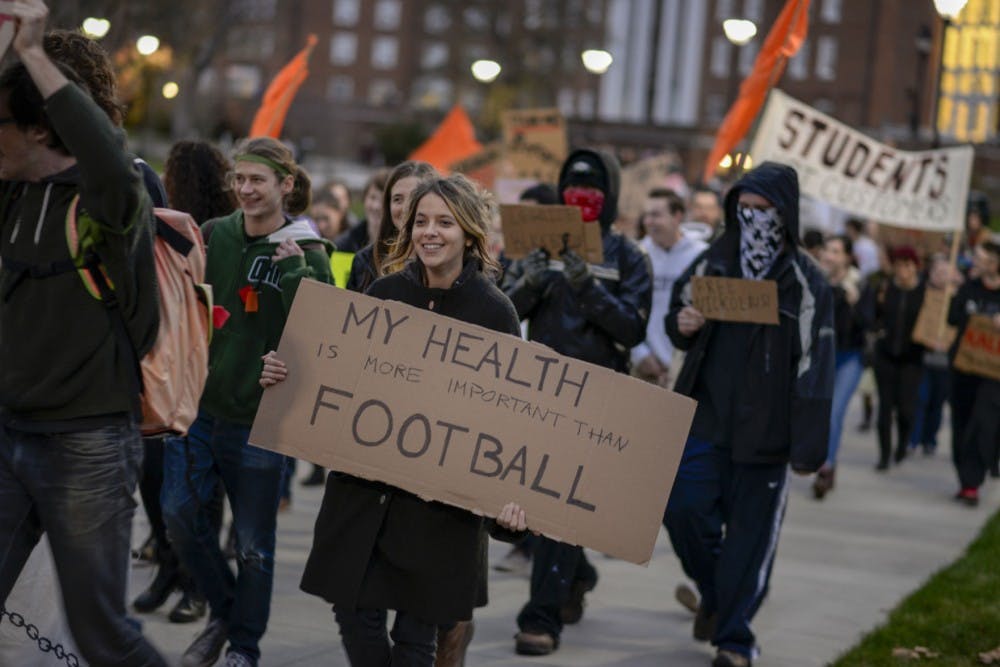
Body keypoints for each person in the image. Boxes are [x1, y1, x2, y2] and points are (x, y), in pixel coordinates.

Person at [263, 174, 527, 667]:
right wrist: (286, 374)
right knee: (354, 617)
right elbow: (339, 373)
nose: (430, 232)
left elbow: (506, 424)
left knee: (415, 640)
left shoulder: (495, 313)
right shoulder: (383, 293)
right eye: (421, 221)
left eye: (445, 222)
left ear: (469, 232)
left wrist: (506, 508)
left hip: (437, 517)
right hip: (364, 500)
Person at [0, 3, 167, 665]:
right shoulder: (12, 193)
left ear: (41, 127)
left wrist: (32, 55)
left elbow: (108, 159)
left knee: (102, 633)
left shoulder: (109, 200)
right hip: (10, 431)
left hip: (87, 442)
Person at [161, 137, 333, 667]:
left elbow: (321, 338)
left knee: (254, 547)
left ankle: (243, 646)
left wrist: (294, 273)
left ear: (286, 184)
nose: (245, 189)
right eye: (239, 179)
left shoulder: (307, 250)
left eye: (257, 180)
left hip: (261, 423)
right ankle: (227, 610)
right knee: (177, 516)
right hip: (199, 410)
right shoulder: (216, 233)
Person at [663, 162, 834, 667]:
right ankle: (718, 595)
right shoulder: (713, 261)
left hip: (766, 433)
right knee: (682, 509)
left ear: (785, 213)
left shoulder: (805, 282)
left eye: (765, 209)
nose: (754, 218)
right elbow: (677, 317)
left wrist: (808, 447)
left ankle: (735, 639)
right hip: (706, 421)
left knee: (750, 540)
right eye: (746, 208)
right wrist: (682, 323)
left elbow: (814, 365)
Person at [503, 148, 652, 656]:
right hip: (540, 390)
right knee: (541, 506)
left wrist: (588, 288)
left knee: (559, 507)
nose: (580, 195)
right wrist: (527, 282)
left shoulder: (629, 257)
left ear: (609, 195)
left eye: (591, 188)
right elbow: (504, 313)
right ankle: (578, 573)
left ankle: (540, 619)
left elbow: (631, 328)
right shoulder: (536, 244)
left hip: (597, 399)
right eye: (572, 185)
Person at [132, 140, 237, 625]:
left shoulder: (210, 234)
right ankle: (171, 568)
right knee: (159, 482)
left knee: (194, 491)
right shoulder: (168, 223)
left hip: (198, 374)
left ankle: (196, 584)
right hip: (166, 372)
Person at [812, 235, 871, 498]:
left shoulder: (859, 284)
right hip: (820, 356)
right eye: (827, 250)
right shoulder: (815, 279)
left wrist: (854, 303)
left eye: (836, 251)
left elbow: (869, 322)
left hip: (848, 357)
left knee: (833, 413)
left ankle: (826, 467)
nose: (829, 255)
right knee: (816, 411)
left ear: (847, 257)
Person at [631, 188, 707, 388]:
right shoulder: (636, 254)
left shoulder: (701, 256)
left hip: (686, 365)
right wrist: (639, 354)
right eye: (646, 215)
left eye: (656, 215)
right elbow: (627, 308)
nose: (649, 222)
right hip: (645, 366)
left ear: (677, 216)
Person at [948, 238, 1000, 506]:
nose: (976, 263)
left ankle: (972, 482)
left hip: (993, 374)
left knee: (983, 423)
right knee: (962, 423)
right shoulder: (969, 288)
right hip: (964, 367)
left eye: (981, 259)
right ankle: (963, 476)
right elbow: (952, 318)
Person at [868, 245, 925, 470]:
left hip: (911, 359)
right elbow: (872, 317)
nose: (903, 270)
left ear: (915, 267)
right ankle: (884, 455)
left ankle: (902, 443)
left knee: (906, 409)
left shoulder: (924, 293)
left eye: (907, 265)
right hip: (886, 356)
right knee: (884, 409)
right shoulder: (885, 289)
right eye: (899, 265)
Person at [345, 160, 437, 293]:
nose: (405, 208)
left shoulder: (447, 260)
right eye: (397, 199)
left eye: (414, 197)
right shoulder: (365, 261)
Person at [908, 254, 958, 456]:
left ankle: (930, 439)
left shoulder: (956, 298)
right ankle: (913, 438)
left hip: (945, 362)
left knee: (937, 403)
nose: (940, 276)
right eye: (938, 272)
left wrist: (946, 344)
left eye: (945, 272)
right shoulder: (923, 294)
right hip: (924, 358)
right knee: (921, 399)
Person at [333, 168, 390, 254]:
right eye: (372, 197)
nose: (376, 206)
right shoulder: (344, 244)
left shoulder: (404, 245)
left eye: (384, 199)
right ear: (364, 199)